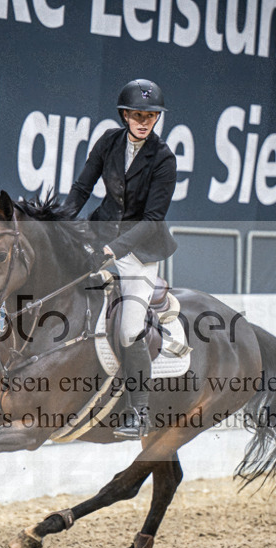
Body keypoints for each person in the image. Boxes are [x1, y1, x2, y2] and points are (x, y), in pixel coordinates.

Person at [61, 78, 178, 439]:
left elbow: (152, 220)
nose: (144, 121)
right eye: (138, 114)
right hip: (100, 233)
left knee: (129, 329)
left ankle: (139, 410)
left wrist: (114, 250)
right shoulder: (109, 141)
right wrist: (61, 222)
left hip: (139, 251)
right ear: (125, 115)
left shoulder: (164, 159)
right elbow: (82, 188)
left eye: (151, 115)